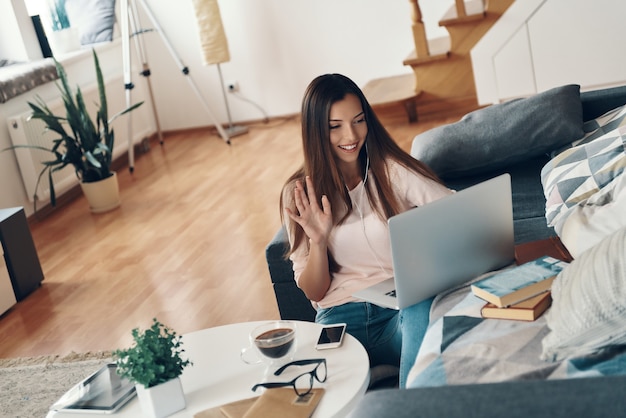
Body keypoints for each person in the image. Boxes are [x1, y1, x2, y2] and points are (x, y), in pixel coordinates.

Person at [280, 73, 452, 373]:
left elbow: (456, 212)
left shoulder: (392, 172)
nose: (351, 136)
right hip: (340, 318)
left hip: (400, 312)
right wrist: (318, 241)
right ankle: (377, 378)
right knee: (321, 386)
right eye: (335, 127)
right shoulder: (298, 194)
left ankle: (405, 399)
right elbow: (314, 292)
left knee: (421, 318)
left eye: (359, 120)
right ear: (315, 131)